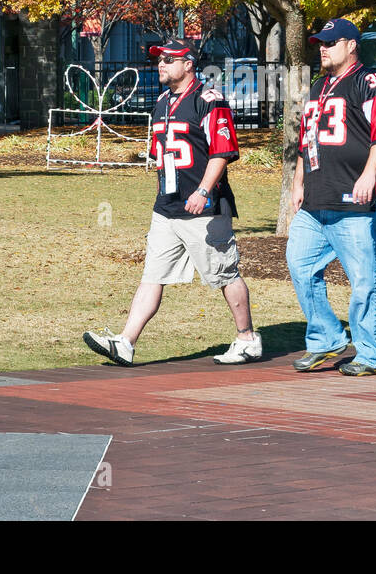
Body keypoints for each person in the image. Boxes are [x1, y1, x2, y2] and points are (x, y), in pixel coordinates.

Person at [82, 39, 262, 366]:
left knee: (224, 274)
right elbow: (159, 156)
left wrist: (204, 191)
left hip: (203, 209)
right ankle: (126, 342)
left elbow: (223, 151)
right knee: (152, 275)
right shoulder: (163, 101)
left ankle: (247, 338)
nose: (161, 65)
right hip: (167, 207)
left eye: (168, 59)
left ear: (189, 63)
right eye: (159, 60)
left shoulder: (209, 100)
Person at [286, 18, 376, 375]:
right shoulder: (318, 87)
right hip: (316, 199)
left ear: (351, 45)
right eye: (320, 43)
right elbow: (307, 140)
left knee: (364, 279)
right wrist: (298, 181)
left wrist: (370, 174)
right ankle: (327, 340)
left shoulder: (371, 81)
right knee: (300, 265)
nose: (322, 48)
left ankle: (372, 356)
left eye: (331, 42)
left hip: (355, 198)